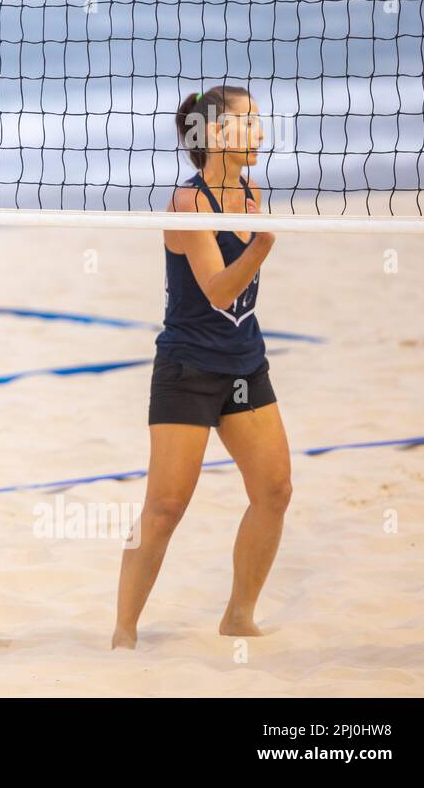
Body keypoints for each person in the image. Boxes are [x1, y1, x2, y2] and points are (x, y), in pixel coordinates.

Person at [112, 85, 292, 649]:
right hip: (188, 368)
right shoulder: (188, 203)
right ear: (215, 134)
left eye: (259, 121)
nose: (260, 132)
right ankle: (123, 633)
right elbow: (217, 291)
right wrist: (262, 247)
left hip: (244, 366)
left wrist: (259, 238)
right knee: (165, 507)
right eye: (249, 122)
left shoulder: (251, 191)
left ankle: (238, 614)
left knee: (275, 490)